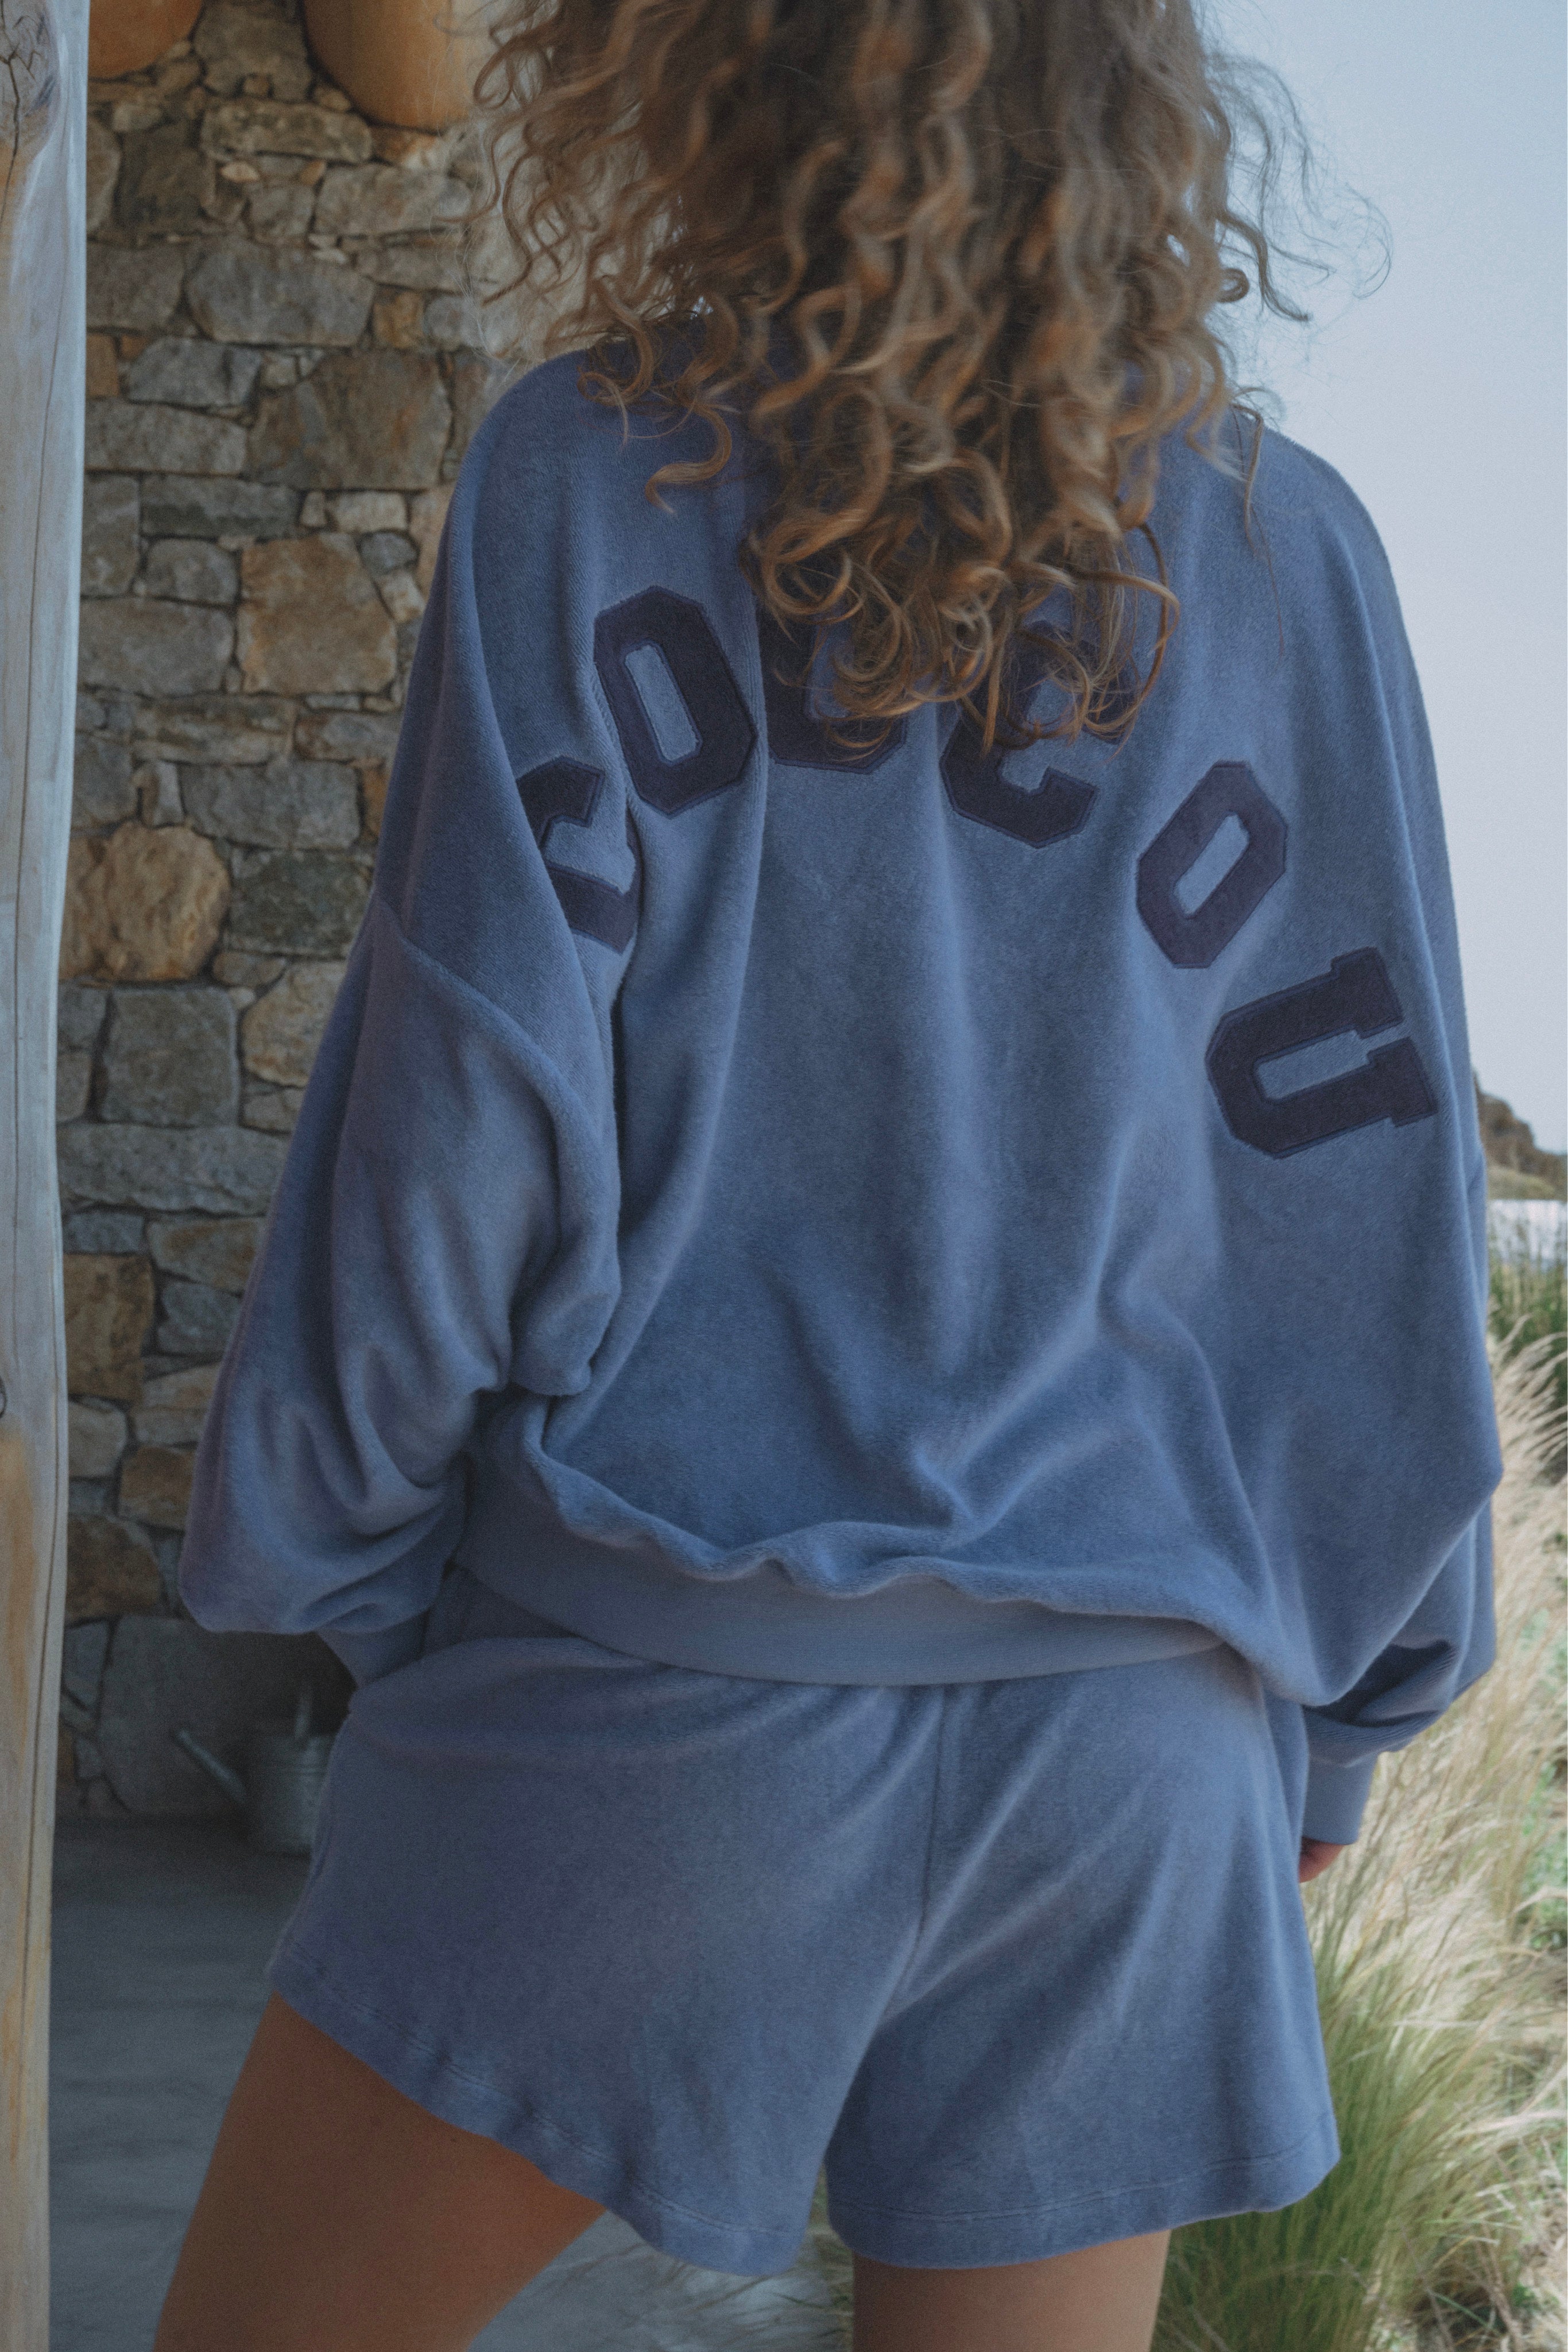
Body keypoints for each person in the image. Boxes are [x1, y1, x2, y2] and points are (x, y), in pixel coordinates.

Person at [153, 3, 1503, 2347]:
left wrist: (366, 1601)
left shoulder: (589, 479)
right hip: (1138, 1768)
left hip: (647, 1690)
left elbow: (453, 1123)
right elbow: (1374, 1204)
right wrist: (1346, 1719)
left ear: (698, 69)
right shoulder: (1294, 559)